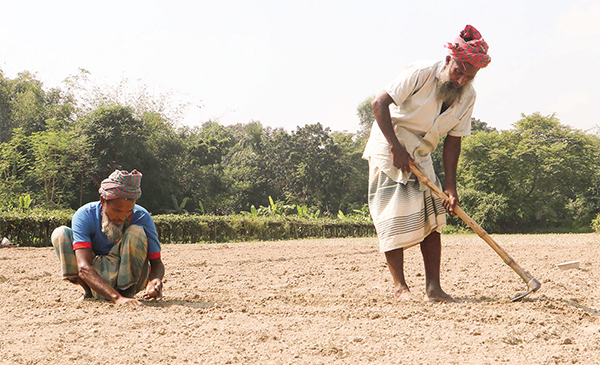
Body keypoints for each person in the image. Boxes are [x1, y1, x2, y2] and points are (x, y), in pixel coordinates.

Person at [362, 25, 491, 302]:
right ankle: (401, 288)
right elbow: (379, 104)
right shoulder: (420, 72)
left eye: (469, 77)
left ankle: (434, 289)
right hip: (390, 145)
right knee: (392, 216)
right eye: (459, 72)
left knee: (433, 220)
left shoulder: (468, 96)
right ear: (449, 61)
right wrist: (396, 148)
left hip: (422, 151)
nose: (460, 81)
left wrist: (451, 188)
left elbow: (453, 140)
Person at [51, 169, 164, 306]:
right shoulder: (84, 215)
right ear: (103, 201)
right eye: (117, 210)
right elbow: (83, 267)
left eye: (128, 211)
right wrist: (117, 298)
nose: (122, 217)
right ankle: (89, 291)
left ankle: (128, 292)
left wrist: (155, 280)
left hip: (128, 274)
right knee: (60, 234)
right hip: (94, 275)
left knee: (136, 231)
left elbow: (157, 263)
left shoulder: (142, 216)